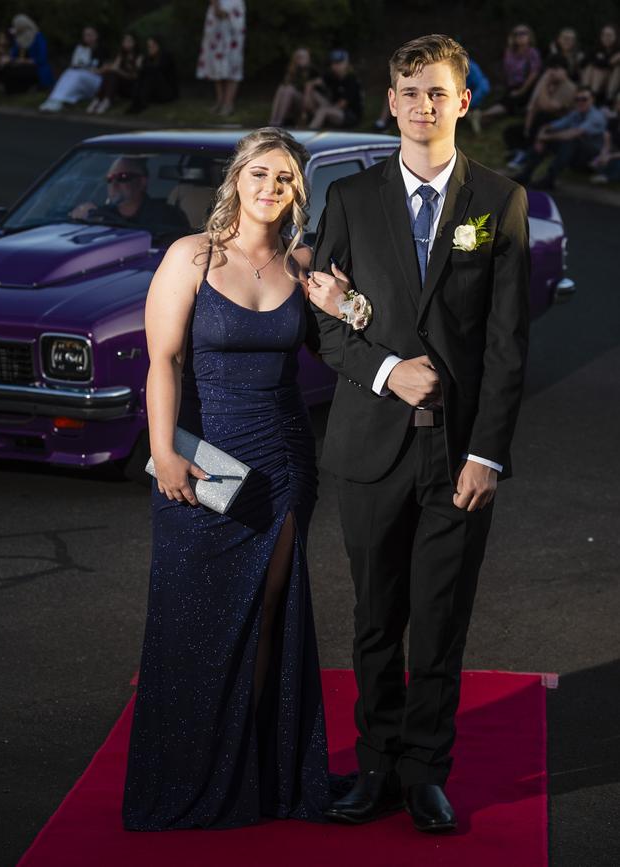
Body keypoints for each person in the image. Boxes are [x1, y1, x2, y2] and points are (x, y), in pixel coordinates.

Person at [306, 33, 530, 834]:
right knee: (376, 617)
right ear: (390, 102)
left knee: (440, 618)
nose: (422, 106)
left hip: (458, 454)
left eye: (437, 92)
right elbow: (321, 325)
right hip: (370, 446)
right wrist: (384, 371)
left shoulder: (500, 201)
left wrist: (488, 452)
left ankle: (427, 770)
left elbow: (507, 343)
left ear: (462, 101)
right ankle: (375, 766)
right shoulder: (351, 202)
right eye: (408, 92)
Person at [121, 128, 342, 830]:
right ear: (237, 179)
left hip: (281, 465)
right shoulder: (193, 254)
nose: (271, 188)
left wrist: (347, 308)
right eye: (260, 174)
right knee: (191, 622)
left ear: (297, 191)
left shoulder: (302, 264)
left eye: (285, 178)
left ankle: (260, 776)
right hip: (202, 460)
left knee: (266, 618)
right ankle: (187, 772)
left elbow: (351, 339)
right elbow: (163, 360)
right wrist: (164, 450)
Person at [515, 85, 607, 189]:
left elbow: (573, 133)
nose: (580, 102)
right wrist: (540, 138)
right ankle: (525, 174)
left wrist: (546, 137)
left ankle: (550, 179)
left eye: (584, 99)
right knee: (552, 136)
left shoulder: (596, 117)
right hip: (574, 151)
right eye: (577, 99)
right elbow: (551, 125)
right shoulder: (576, 113)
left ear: (592, 100)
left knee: (570, 140)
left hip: (591, 157)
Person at [69, 156, 188, 230]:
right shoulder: (101, 215)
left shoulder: (166, 217)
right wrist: (81, 219)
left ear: (142, 181)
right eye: (109, 179)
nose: (114, 184)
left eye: (122, 177)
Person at [505, 54, 577, 169]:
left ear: (564, 70)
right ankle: (520, 150)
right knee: (510, 131)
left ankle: (525, 153)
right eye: (551, 69)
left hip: (557, 124)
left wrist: (543, 82)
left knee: (543, 117)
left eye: (556, 69)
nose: (552, 73)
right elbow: (533, 105)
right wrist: (527, 129)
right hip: (539, 122)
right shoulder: (550, 85)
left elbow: (547, 107)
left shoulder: (569, 88)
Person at [480, 24, 541, 123]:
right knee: (507, 100)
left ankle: (482, 115)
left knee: (510, 102)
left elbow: (534, 74)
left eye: (523, 33)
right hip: (512, 86)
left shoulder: (532, 53)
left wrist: (522, 90)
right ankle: (484, 116)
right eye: (516, 34)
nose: (520, 36)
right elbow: (508, 71)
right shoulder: (510, 52)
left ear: (530, 36)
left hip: (528, 86)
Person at [196, 0, 245, 117]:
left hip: (234, 11)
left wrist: (225, 13)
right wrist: (215, 5)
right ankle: (220, 101)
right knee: (216, 61)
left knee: (233, 62)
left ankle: (228, 103)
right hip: (216, 15)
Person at [39, 25, 102, 112]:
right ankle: (54, 100)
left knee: (78, 74)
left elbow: (106, 67)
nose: (88, 37)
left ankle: (58, 100)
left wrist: (93, 70)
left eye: (90, 34)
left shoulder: (102, 50)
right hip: (82, 78)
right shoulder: (81, 48)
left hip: (96, 80)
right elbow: (75, 64)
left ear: (96, 35)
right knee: (70, 72)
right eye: (85, 35)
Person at [304, 49, 363, 130]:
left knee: (322, 111)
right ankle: (309, 119)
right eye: (333, 63)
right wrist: (307, 99)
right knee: (314, 94)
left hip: (349, 115)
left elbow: (342, 104)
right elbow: (310, 83)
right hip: (334, 108)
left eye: (338, 63)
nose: (335, 66)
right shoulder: (332, 76)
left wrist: (324, 109)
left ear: (346, 63)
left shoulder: (352, 79)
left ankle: (310, 131)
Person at [86, 32, 141, 114]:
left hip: (131, 85)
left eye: (129, 41)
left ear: (135, 42)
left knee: (113, 74)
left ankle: (106, 100)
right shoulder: (121, 55)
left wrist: (117, 70)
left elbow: (135, 76)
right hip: (119, 84)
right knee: (110, 74)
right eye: (125, 41)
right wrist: (101, 70)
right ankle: (99, 99)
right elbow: (114, 67)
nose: (126, 43)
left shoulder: (139, 56)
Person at [0, 14, 53, 94]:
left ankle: (25, 89)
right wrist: (9, 59)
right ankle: (12, 91)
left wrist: (24, 61)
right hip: (20, 65)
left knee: (19, 71)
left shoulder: (38, 37)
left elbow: (42, 58)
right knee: (6, 68)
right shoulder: (19, 38)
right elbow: (13, 54)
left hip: (35, 67)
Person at [125, 35, 178, 114]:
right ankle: (136, 102)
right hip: (153, 93)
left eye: (152, 46)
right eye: (148, 47)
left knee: (151, 74)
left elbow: (159, 69)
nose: (150, 49)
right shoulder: (148, 58)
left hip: (166, 92)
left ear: (158, 46)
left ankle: (141, 103)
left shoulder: (166, 56)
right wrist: (136, 65)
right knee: (144, 74)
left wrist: (142, 66)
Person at [268, 47, 318, 126]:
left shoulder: (313, 71)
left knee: (289, 89)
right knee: (281, 88)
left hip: (308, 103)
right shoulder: (293, 70)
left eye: (303, 57)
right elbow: (285, 84)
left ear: (308, 58)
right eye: (299, 57)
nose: (301, 59)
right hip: (295, 101)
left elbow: (310, 93)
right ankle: (273, 119)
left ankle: (279, 121)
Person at [581, 24, 620, 106]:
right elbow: (585, 62)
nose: (607, 37)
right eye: (604, 35)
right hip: (595, 80)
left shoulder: (618, 50)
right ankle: (588, 94)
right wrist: (609, 62)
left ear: (615, 37)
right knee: (592, 68)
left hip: (612, 82)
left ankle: (607, 99)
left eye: (609, 35)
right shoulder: (596, 48)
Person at [590, 91, 620, 182]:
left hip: (617, 155)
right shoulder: (613, 121)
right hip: (614, 151)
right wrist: (604, 153)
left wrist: (610, 156)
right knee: (599, 157)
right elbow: (607, 142)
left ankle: (608, 176)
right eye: (618, 103)